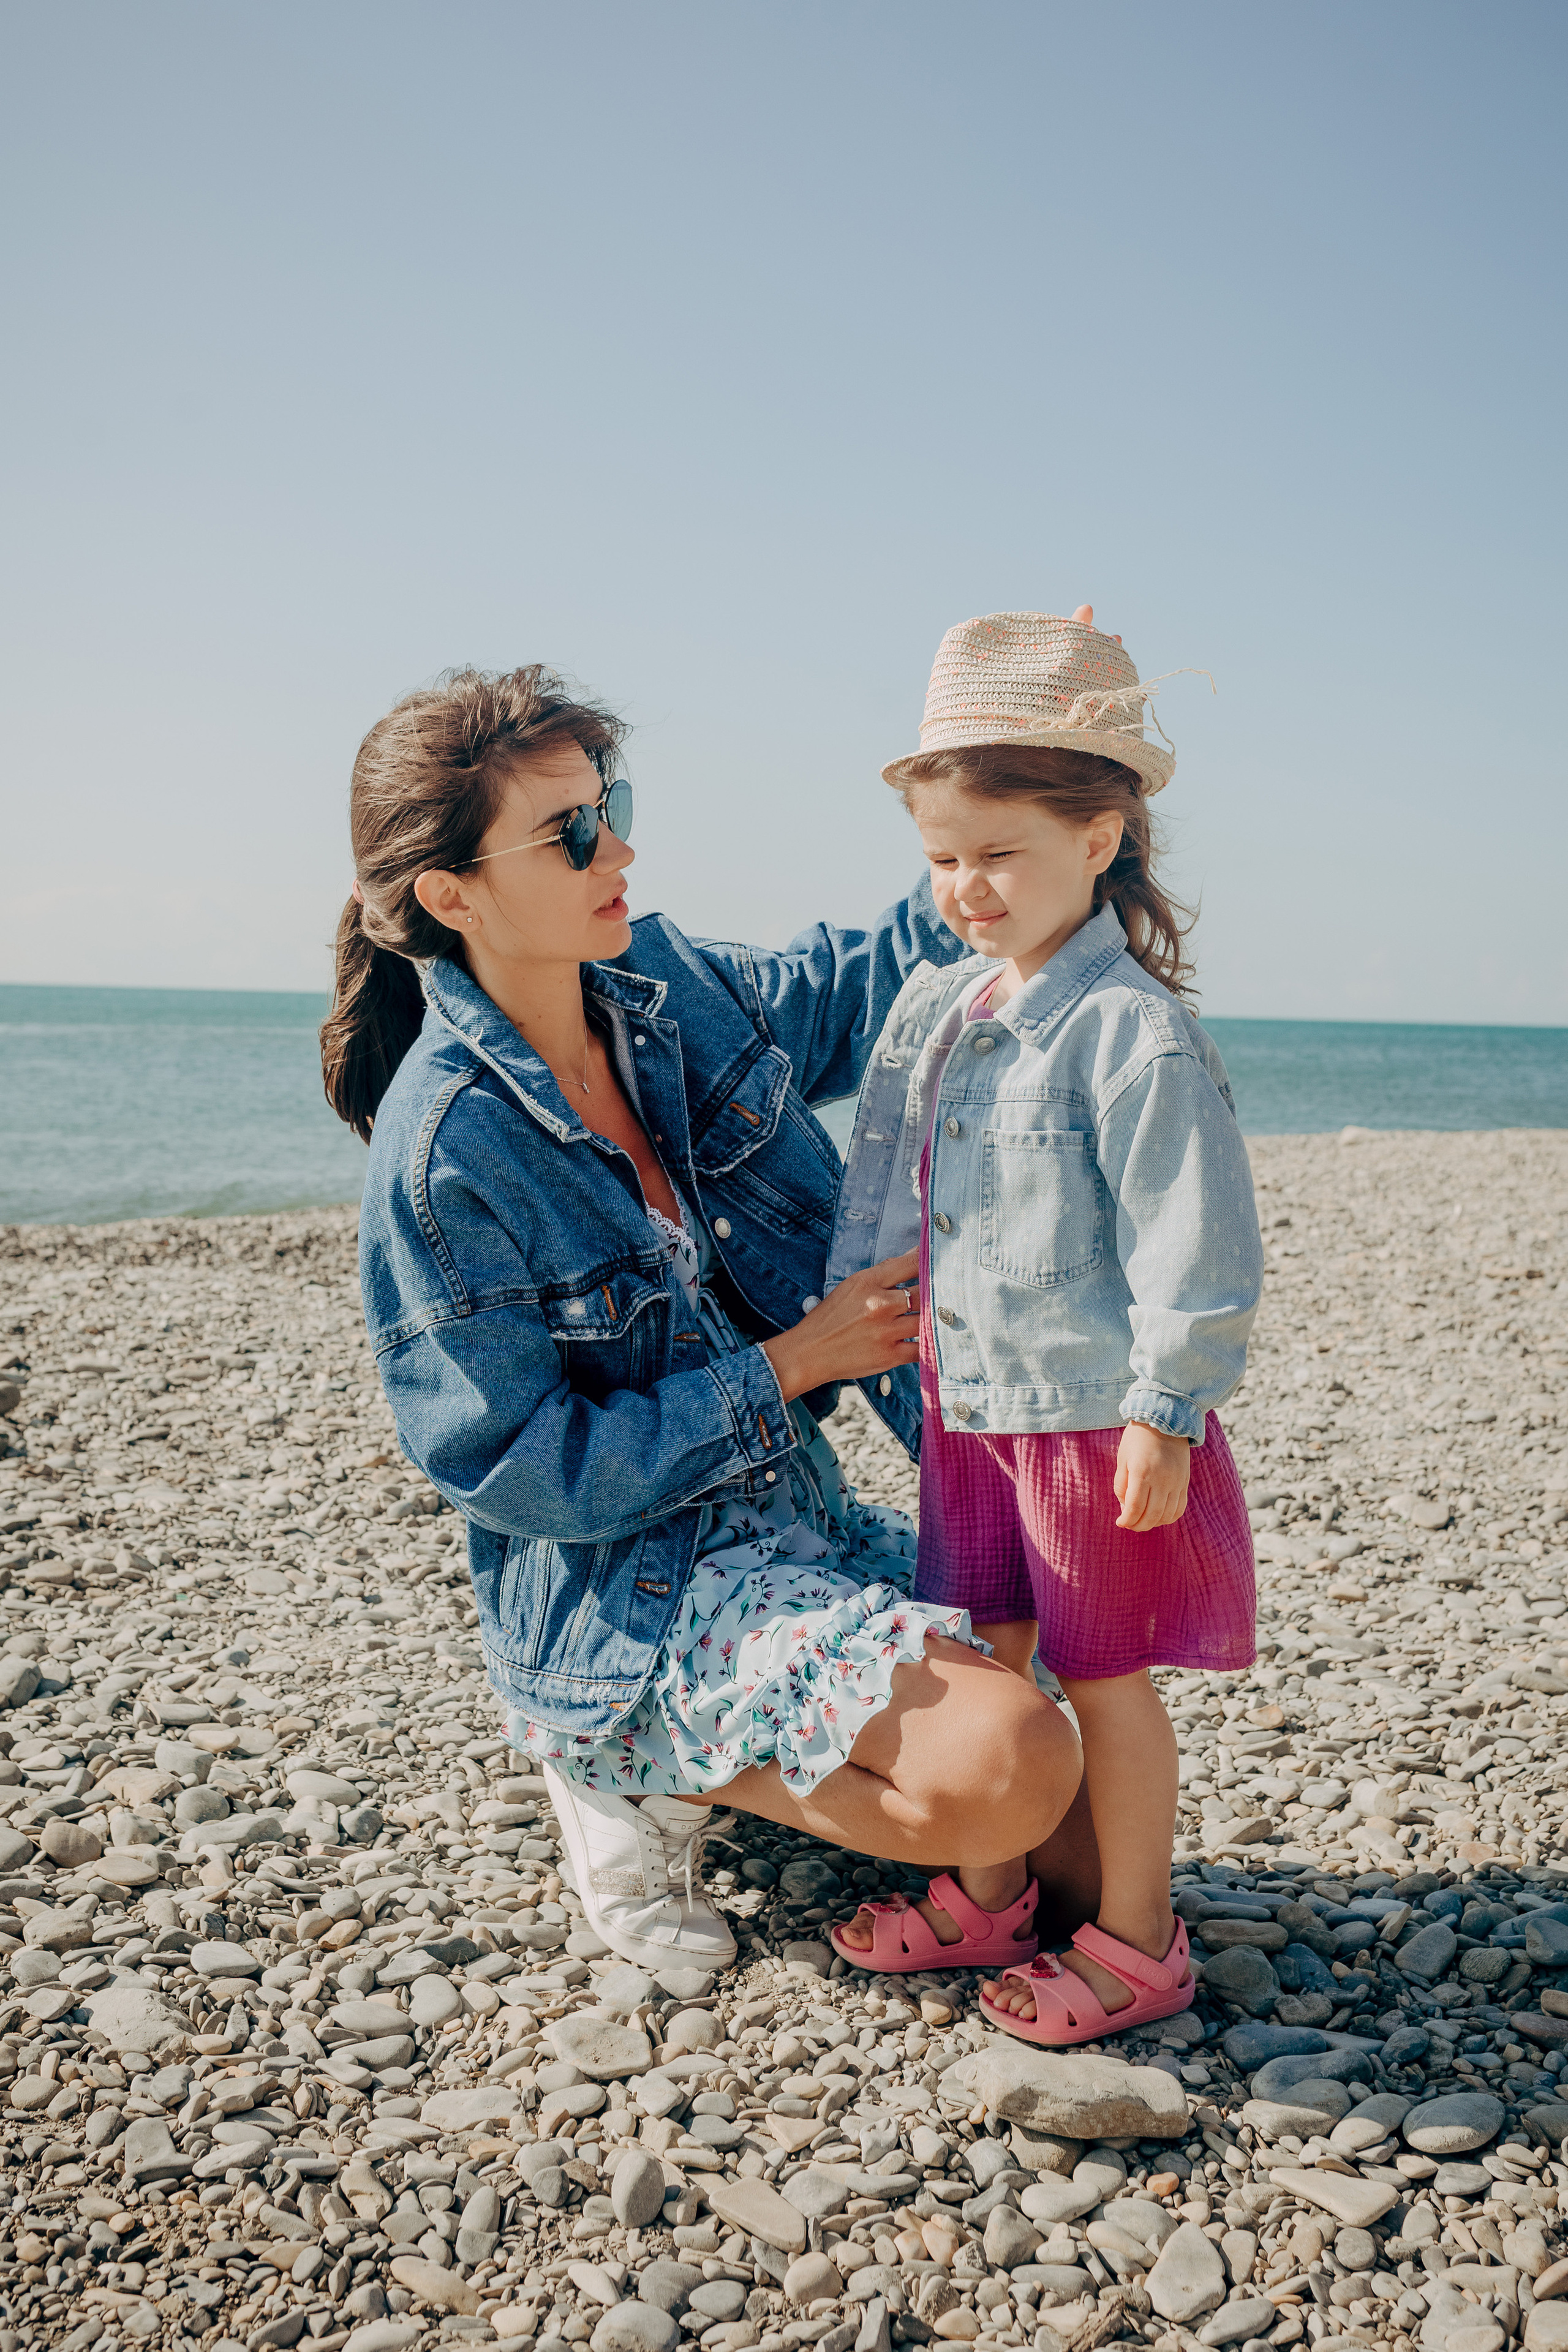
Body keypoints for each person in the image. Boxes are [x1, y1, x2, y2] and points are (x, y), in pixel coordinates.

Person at [322, 660, 1087, 1973]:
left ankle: (741, 1745)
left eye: (608, 802)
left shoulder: (664, 986)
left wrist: (1019, 749)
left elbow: (875, 977)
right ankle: (612, 1761)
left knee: (1079, 1701)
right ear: (449, 896)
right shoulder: (441, 1154)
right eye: (568, 831)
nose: (616, 844)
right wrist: (787, 1365)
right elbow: (513, 1467)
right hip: (626, 1594)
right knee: (1011, 1769)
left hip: (796, 1520)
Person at [826, 608, 1264, 2041]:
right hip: (972, 1414)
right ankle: (989, 1895)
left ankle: (1135, 1943)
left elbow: (1192, 1237)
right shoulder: (954, 1006)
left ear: (1102, 837)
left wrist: (1165, 1406)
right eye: (942, 858)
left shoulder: (1123, 1030)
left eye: (997, 854)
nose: (964, 886)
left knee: (1103, 1675)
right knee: (983, 1653)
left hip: (1085, 1416)